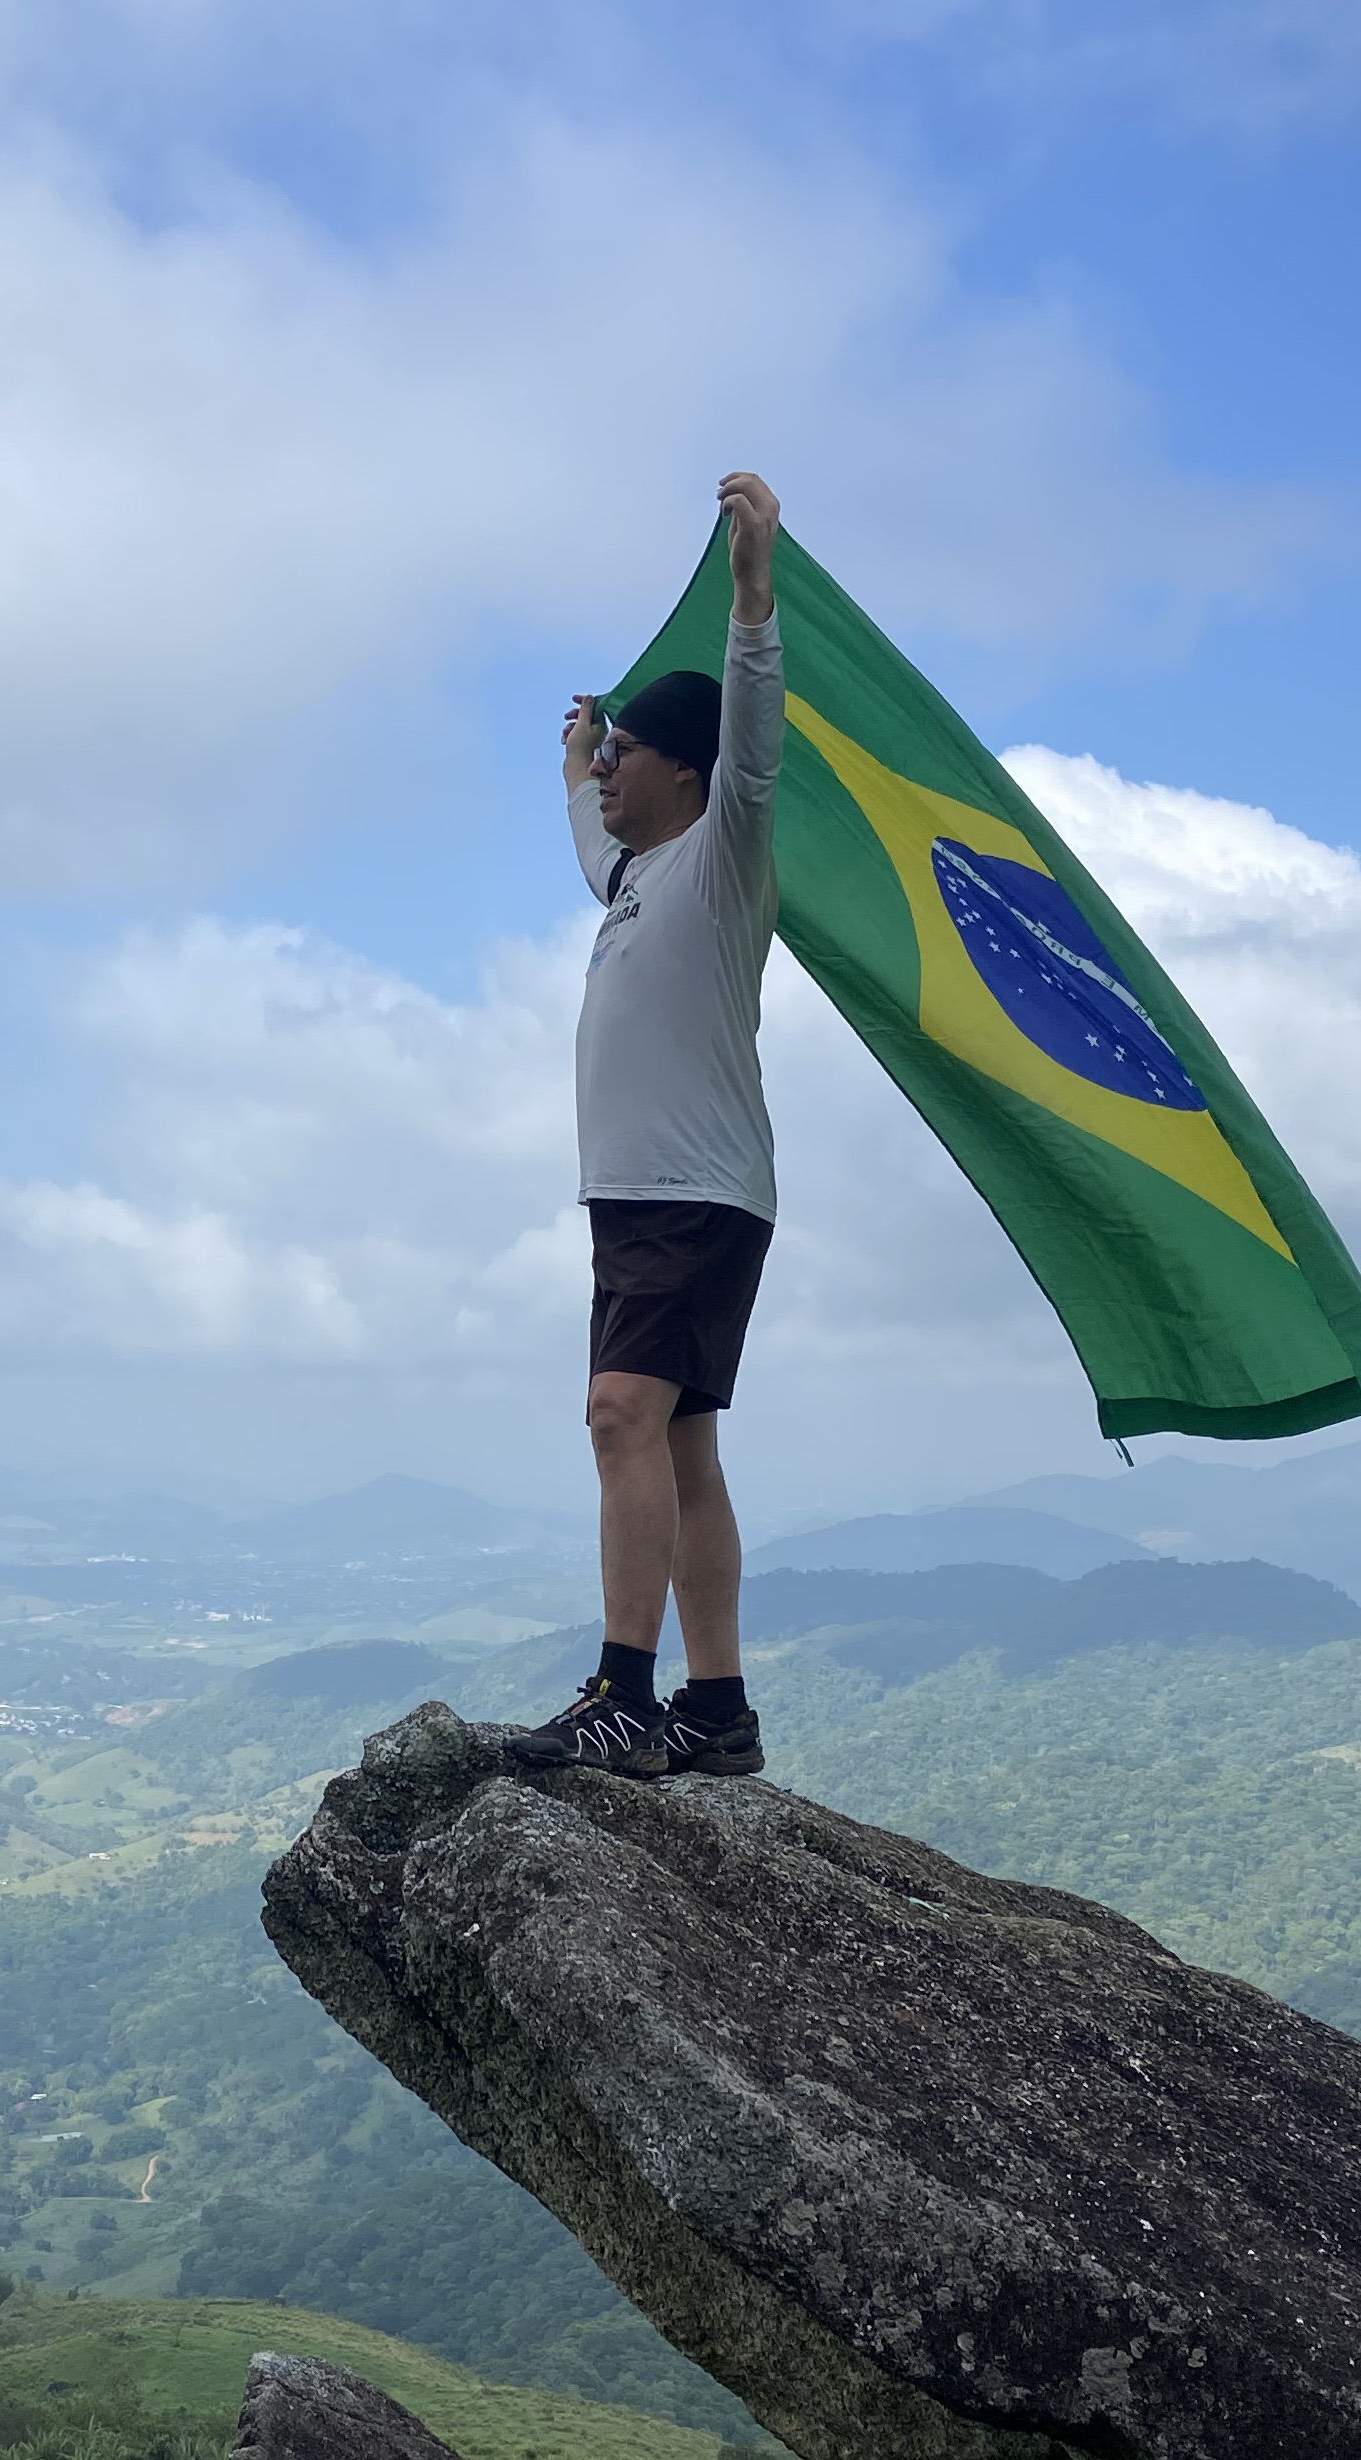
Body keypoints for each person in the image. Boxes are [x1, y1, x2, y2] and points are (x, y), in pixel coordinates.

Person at [508, 470, 784, 1779]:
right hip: (642, 1198)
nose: (609, 774)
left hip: (693, 1191)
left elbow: (755, 742)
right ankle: (716, 1709)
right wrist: (576, 761)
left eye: (626, 756)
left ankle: (626, 1693)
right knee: (678, 1444)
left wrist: (751, 596)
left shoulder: (724, 857)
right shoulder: (632, 876)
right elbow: (590, 838)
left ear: (686, 769)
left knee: (620, 1414)